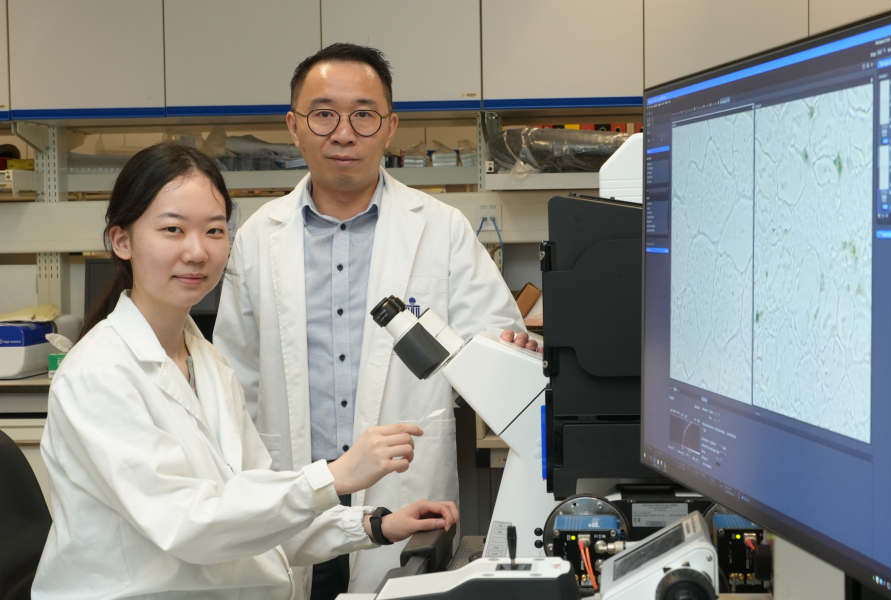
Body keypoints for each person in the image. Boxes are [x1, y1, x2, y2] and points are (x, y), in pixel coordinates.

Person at [32, 142, 458, 600]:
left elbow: (252, 507)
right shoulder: (99, 375)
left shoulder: (207, 362)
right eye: (173, 229)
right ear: (122, 240)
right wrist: (333, 476)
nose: (197, 252)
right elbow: (189, 523)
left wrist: (374, 525)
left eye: (214, 230)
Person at [213, 43, 537, 597]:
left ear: (390, 128)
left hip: (401, 491)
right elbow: (234, 383)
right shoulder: (256, 238)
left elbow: (498, 350)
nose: (344, 133)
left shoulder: (442, 230)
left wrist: (512, 352)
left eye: (364, 114)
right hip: (292, 487)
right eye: (324, 114)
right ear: (294, 126)